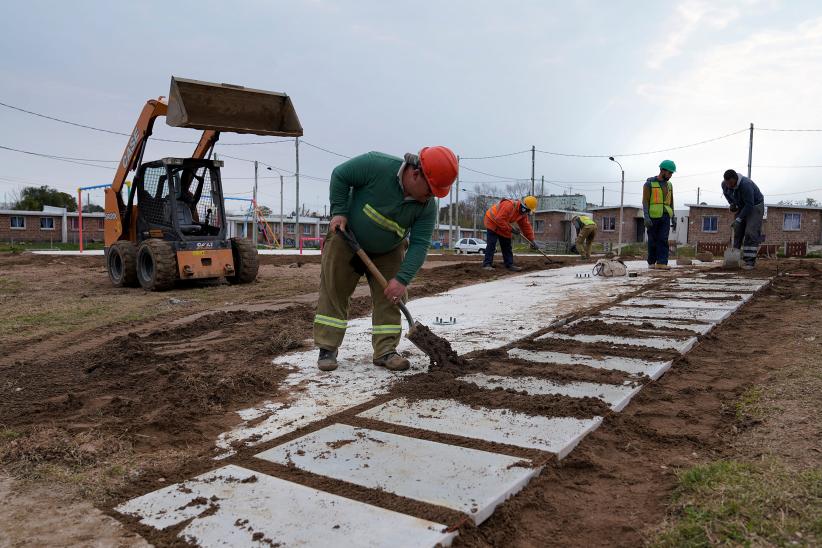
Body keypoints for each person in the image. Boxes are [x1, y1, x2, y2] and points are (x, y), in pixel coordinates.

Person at [314, 147, 458, 372]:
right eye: (430, 190)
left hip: (388, 249)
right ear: (415, 173)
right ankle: (327, 348)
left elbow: (420, 244)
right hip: (346, 237)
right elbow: (340, 175)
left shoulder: (427, 208)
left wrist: (402, 279)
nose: (430, 197)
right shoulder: (376, 165)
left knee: (392, 298)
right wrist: (339, 211)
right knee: (334, 290)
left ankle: (385, 351)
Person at [721, 169, 764, 270]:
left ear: (735, 179)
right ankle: (735, 259)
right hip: (742, 205)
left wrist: (739, 219)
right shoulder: (724, 184)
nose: (729, 186)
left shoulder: (746, 184)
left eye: (731, 183)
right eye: (727, 184)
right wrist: (732, 204)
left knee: (750, 231)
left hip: (755, 205)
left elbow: (749, 205)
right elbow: (728, 195)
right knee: (738, 231)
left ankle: (749, 262)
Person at [482, 196, 538, 271]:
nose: (528, 213)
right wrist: (511, 229)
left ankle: (509, 264)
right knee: (491, 244)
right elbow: (499, 219)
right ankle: (487, 264)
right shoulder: (509, 205)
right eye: (528, 211)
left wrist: (532, 240)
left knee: (507, 244)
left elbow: (526, 226)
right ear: (524, 207)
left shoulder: (522, 214)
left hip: (503, 223)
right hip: (492, 221)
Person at [642, 160, 677, 270]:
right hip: (653, 216)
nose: (671, 175)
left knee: (663, 239)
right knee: (652, 241)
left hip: (665, 216)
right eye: (669, 173)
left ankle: (662, 262)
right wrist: (646, 217)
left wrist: (673, 216)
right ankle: (651, 262)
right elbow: (645, 201)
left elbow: (671, 202)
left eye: (672, 173)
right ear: (662, 170)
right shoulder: (649, 184)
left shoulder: (670, 185)